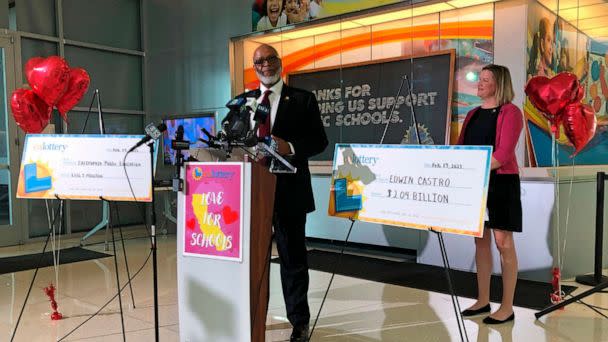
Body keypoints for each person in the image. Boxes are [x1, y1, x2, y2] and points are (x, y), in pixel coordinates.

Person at [235, 44, 328, 341]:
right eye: (259, 61)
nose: (265, 65)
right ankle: (253, 316)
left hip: (289, 193)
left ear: (279, 61)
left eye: (270, 59)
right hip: (251, 192)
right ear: (254, 67)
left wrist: (290, 147)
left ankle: (299, 322)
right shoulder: (244, 102)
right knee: (252, 260)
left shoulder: (302, 99)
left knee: (292, 261)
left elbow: (319, 141)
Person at [457, 64, 523, 324]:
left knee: (503, 242)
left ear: (499, 84)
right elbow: (460, 148)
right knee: (480, 241)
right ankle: (483, 300)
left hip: (502, 182)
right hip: (476, 183)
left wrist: (472, 167)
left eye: (485, 80)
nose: (479, 83)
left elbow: (503, 154)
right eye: (479, 79)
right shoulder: (473, 114)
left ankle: (507, 307)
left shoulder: (511, 112)